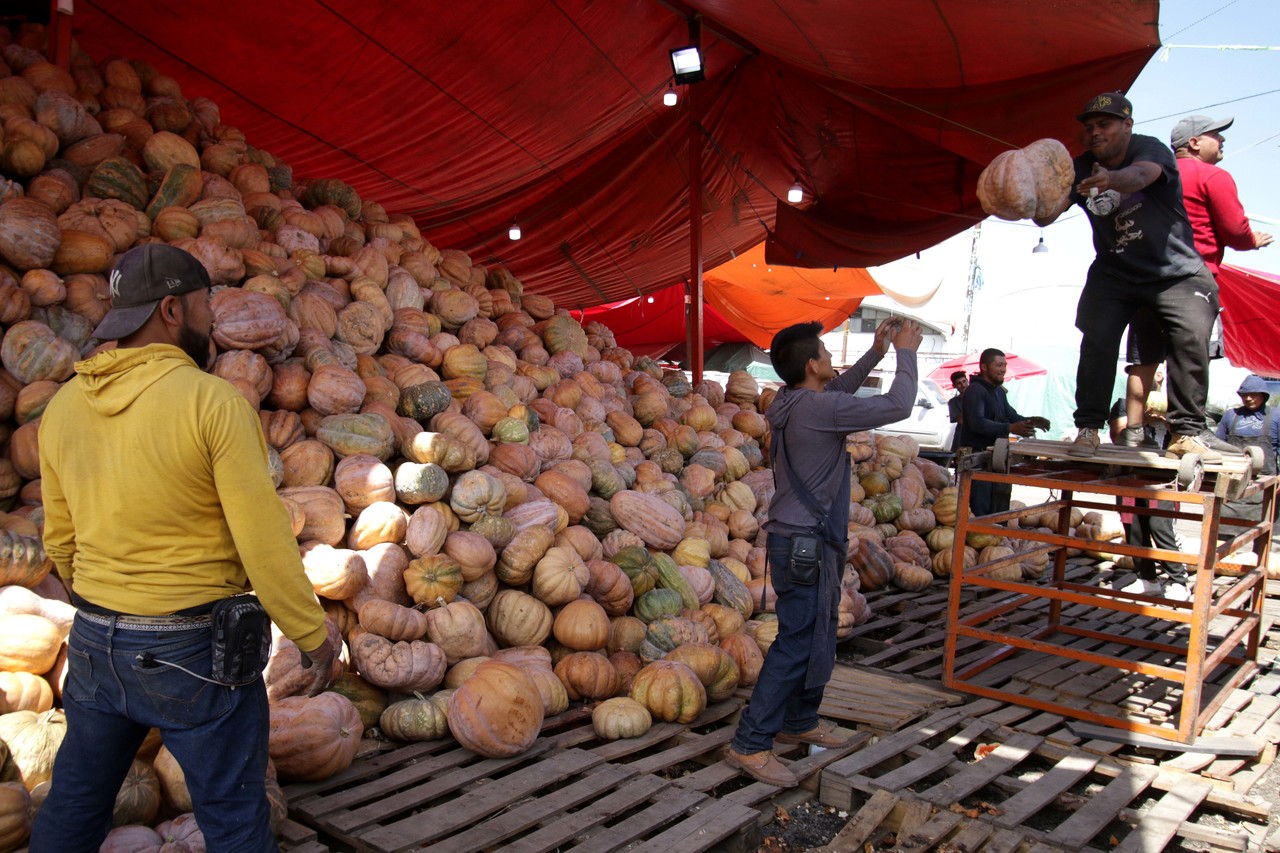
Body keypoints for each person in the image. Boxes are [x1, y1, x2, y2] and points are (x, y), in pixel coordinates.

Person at [33, 244, 337, 852]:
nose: (210, 322)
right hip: (192, 648)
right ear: (171, 309)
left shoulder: (64, 406)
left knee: (75, 804)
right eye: (203, 306)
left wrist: (105, 605)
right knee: (232, 814)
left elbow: (59, 542)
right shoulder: (213, 402)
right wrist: (309, 631)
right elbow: (263, 539)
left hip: (94, 643)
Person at [725, 317, 922, 787]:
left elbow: (838, 391)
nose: (834, 361)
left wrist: (875, 352)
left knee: (818, 633)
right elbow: (899, 405)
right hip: (806, 543)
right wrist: (906, 352)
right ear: (812, 365)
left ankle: (799, 720)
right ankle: (750, 744)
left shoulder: (794, 400)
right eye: (828, 355)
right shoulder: (817, 409)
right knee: (797, 640)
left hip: (805, 539)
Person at [1034, 92, 1224, 463]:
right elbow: (1046, 216)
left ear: (1127, 125)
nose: (1095, 134)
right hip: (1115, 271)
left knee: (1190, 340)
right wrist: (1027, 197)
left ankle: (1186, 432)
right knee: (1097, 340)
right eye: (1089, 128)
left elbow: (1141, 175)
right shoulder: (1081, 166)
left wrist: (1111, 180)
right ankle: (1088, 429)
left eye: (1104, 125)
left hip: (1175, 272)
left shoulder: (1150, 150)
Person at [1119, 115, 1272, 449]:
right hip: (1192, 281)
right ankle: (1185, 433)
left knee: (1143, 359)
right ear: (1194, 143)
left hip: (1146, 277)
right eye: (1216, 135)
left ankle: (1132, 432)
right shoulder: (1212, 175)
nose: (1222, 141)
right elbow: (1234, 230)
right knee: (1188, 359)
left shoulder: (1150, 175)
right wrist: (1252, 241)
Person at [1107, 398, 1191, 600]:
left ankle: (1178, 580)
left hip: (1162, 479)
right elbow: (1117, 434)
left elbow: (1187, 440)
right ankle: (1146, 578)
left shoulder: (1176, 404)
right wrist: (1140, 419)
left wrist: (1167, 419)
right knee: (1133, 527)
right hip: (1128, 476)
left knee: (1160, 526)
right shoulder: (1123, 404)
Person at [958, 348, 1050, 515]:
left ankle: (997, 538)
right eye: (998, 365)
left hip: (997, 460)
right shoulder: (975, 391)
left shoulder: (999, 392)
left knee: (998, 510)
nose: (1003, 369)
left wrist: (1029, 421)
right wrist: (1010, 428)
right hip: (977, 462)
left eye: (1005, 365)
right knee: (979, 511)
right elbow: (976, 423)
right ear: (984, 367)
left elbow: (1010, 415)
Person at [1215, 375, 1279, 535]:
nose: (1248, 398)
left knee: (1263, 530)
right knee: (1223, 530)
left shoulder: (1276, 416)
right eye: (1244, 395)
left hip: (1264, 483)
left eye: (1253, 394)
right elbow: (1217, 447)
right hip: (1233, 481)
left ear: (1264, 395)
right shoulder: (1231, 416)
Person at [947, 370, 968, 454]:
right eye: (959, 383)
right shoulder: (953, 402)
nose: (963, 385)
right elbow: (961, 420)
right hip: (961, 437)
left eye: (964, 381)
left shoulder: (979, 396)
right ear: (954, 386)